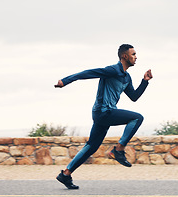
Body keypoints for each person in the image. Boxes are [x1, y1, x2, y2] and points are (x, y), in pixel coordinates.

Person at [54, 44, 153, 189]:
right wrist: (65, 81)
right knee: (137, 118)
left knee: (91, 146)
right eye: (133, 54)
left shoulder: (126, 77)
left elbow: (134, 96)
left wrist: (144, 82)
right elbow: (88, 73)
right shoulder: (112, 70)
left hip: (106, 113)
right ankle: (118, 150)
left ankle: (66, 174)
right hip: (103, 111)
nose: (136, 57)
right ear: (124, 56)